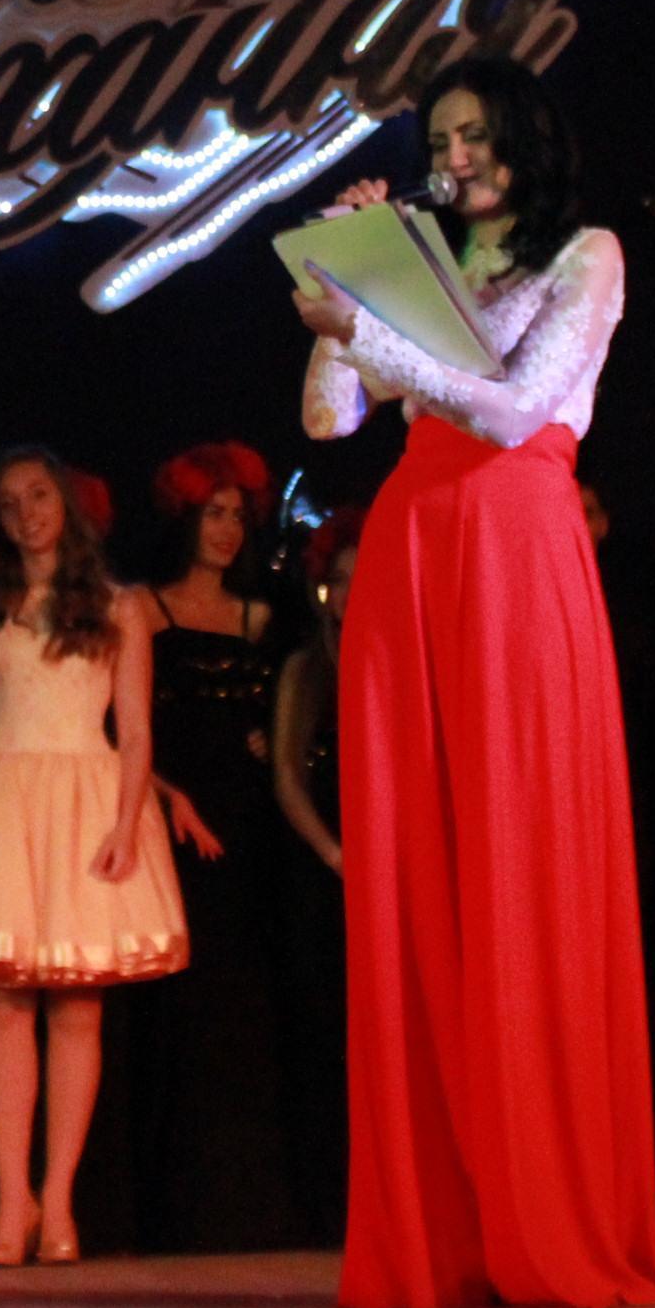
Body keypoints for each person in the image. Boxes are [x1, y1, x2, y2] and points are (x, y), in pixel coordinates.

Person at [294, 55, 655, 1308]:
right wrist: (347, 290)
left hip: (515, 544)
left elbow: (513, 414)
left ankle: (545, 1209)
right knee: (421, 871)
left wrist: (373, 332)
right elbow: (333, 420)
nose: (454, 158)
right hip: (412, 550)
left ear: (521, 139)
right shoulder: (427, 263)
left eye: (474, 135)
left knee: (524, 856)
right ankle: (437, 1226)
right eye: (442, 139)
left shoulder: (589, 257)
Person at [0, 447, 185, 1265]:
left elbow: (136, 731)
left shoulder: (119, 606)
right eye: (9, 503)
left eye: (38, 496)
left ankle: (58, 1201)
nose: (26, 513)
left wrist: (127, 822)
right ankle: (10, 1202)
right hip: (0, 798)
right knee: (2, 1004)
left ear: (65, 504)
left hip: (83, 801)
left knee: (76, 1006)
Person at [102, 439, 299, 1251]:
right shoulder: (143, 609)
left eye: (238, 517)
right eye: (213, 514)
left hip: (249, 832)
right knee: (175, 1013)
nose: (226, 530)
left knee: (242, 1014)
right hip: (171, 827)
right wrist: (165, 797)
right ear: (184, 518)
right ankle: (171, 1210)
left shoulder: (265, 618)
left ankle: (246, 1210)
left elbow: (293, 725)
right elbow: (112, 732)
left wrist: (269, 744)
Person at [267, 510, 355, 1245]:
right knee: (325, 1041)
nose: (352, 592)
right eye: (341, 580)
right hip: (322, 871)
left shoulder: (409, 658)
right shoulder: (305, 667)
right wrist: (335, 855)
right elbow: (288, 779)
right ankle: (329, 1207)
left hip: (392, 875)